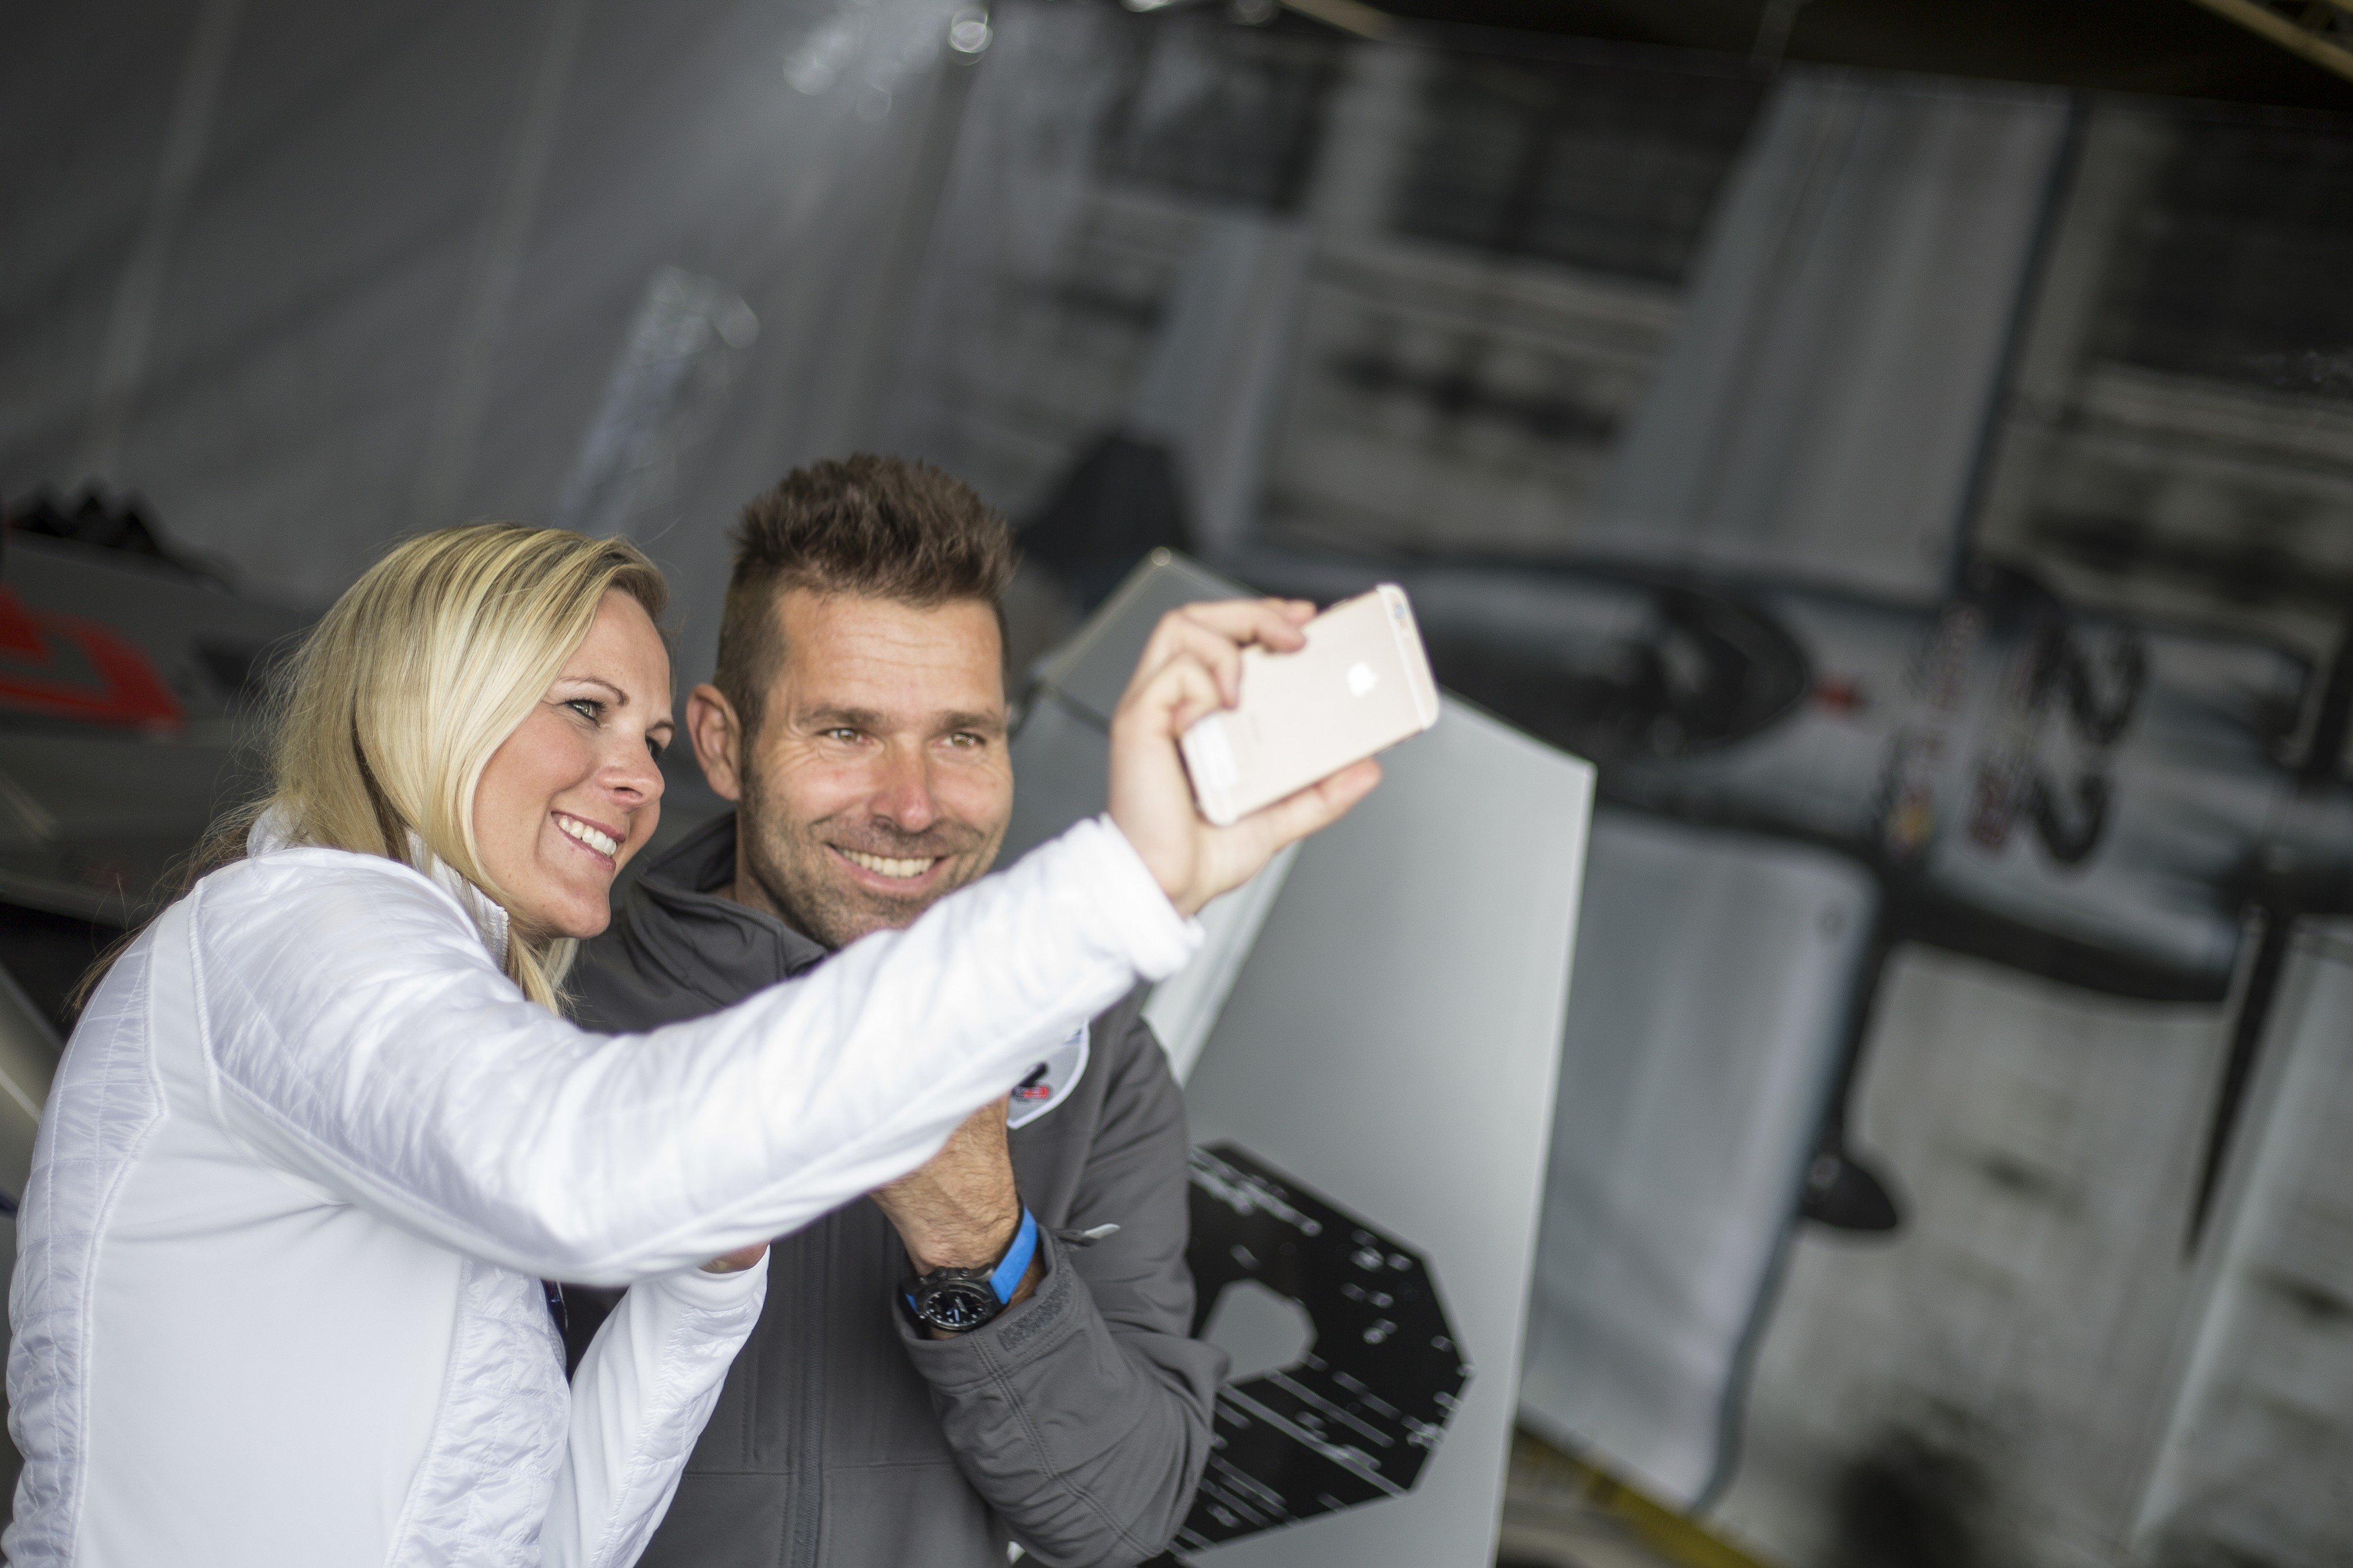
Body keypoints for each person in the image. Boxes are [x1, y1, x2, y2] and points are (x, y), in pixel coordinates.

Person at [5, 522, 1376, 1567]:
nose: (632, 775)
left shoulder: (447, 983)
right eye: (582, 709)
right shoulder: (304, 928)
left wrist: (708, 1272)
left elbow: (542, 1540)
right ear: (434, 696)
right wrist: (1120, 884)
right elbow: (584, 1170)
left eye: (646, 734)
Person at [565, 457, 1239, 1567]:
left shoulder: (1094, 1050)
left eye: (962, 736)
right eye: (847, 731)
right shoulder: (555, 1008)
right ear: (726, 744)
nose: (914, 803)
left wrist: (978, 1239)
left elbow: (1124, 1514)